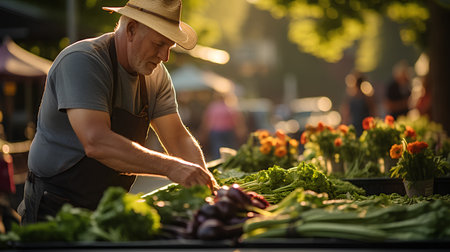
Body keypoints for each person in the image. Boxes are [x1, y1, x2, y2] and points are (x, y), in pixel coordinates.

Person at [18, 0, 218, 224]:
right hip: (55, 204)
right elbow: (96, 141)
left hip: (109, 206)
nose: (164, 57)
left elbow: (178, 137)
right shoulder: (83, 61)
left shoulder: (156, 75)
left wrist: (205, 183)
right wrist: (172, 167)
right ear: (131, 29)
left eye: (169, 47)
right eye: (158, 44)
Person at [199, 92, 246, 160]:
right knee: (230, 148)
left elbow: (207, 121)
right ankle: (230, 161)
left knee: (217, 148)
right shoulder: (230, 106)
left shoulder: (212, 107)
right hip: (228, 130)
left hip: (216, 131)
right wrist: (240, 129)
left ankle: (220, 162)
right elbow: (237, 120)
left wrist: (204, 131)